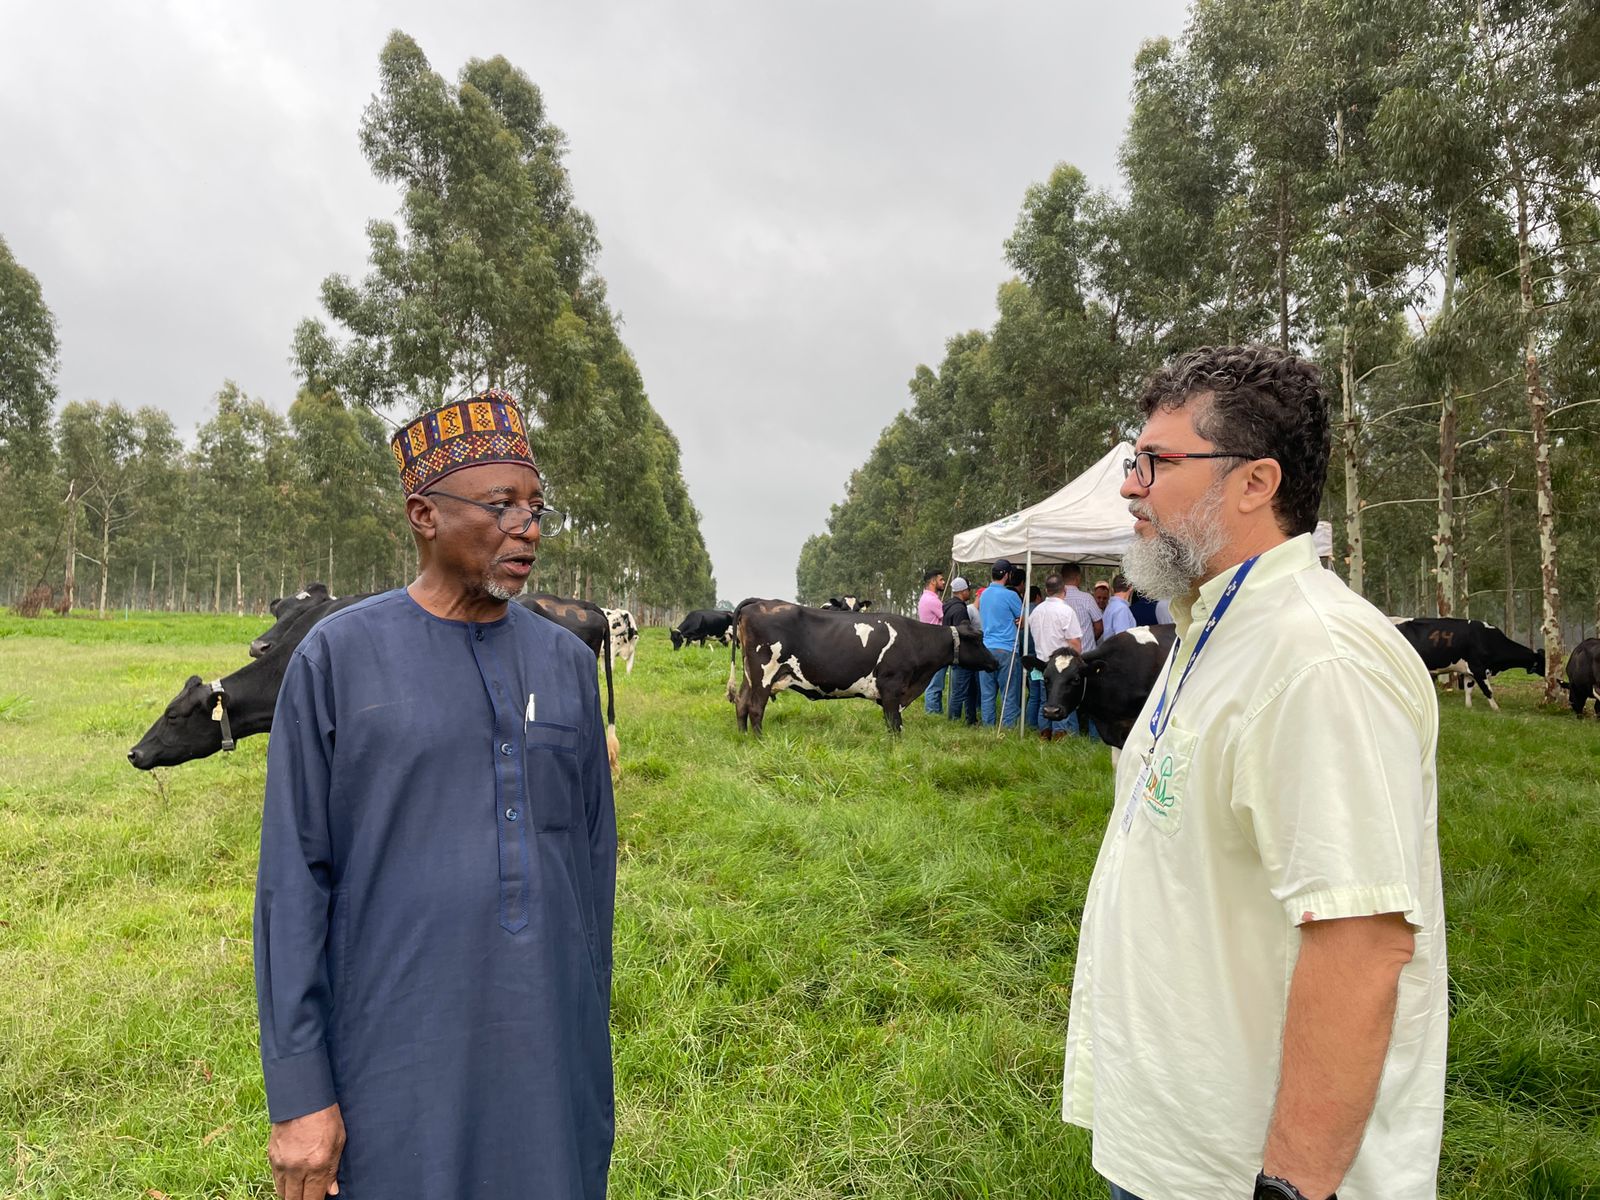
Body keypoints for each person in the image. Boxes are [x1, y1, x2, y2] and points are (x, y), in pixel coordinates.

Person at [1062, 346, 1445, 1200]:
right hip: (1184, 1136)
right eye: (1136, 461)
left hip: (1248, 1172)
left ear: (1254, 484)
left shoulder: (1316, 659)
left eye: (1155, 462)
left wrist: (1292, 1187)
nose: (1130, 485)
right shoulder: (1212, 626)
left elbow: (1361, 942)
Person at [255, 389, 617, 1200]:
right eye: (501, 505)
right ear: (424, 514)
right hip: (394, 1069)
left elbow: (594, 879)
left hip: (549, 1069)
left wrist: (587, 1058)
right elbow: (292, 885)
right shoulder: (337, 661)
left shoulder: (565, 667)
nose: (527, 526)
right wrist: (301, 1094)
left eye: (535, 507)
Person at [1024, 573, 1083, 741]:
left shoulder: (1036, 612)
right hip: (1062, 667)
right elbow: (1074, 642)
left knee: (1045, 700)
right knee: (1062, 700)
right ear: (1064, 590)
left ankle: (1044, 735)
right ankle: (1061, 736)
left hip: (1044, 664)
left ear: (1046, 590)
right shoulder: (1066, 611)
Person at [978, 559, 1025, 727]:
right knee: (1009, 694)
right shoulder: (1011, 595)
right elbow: (1024, 621)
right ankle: (1007, 729)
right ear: (1007, 575)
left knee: (987, 694)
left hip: (986, 648)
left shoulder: (983, 595)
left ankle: (987, 728)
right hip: (1007, 649)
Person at [943, 576, 980, 725]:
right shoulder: (960, 610)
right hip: (962, 656)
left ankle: (971, 719)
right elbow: (962, 633)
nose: (970, 592)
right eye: (968, 590)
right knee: (958, 692)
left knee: (970, 690)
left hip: (958, 655)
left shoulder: (949, 606)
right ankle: (954, 721)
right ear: (963, 591)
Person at [918, 567, 948, 714]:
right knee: (935, 684)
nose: (943, 582)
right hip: (936, 646)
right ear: (933, 581)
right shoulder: (932, 601)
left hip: (929, 644)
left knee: (935, 682)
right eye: (941, 579)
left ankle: (934, 712)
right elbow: (947, 618)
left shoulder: (926, 598)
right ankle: (932, 712)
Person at [1060, 562, 1104, 651]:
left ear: (1061, 578)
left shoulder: (1057, 599)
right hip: (1086, 653)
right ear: (1078, 578)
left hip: (1064, 655)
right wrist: (1090, 640)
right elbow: (1099, 628)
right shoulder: (1087, 598)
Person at [1101, 574, 1137, 639]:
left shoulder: (1111, 606)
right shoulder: (1121, 609)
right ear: (1131, 588)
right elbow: (1123, 639)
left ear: (1113, 589)